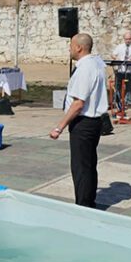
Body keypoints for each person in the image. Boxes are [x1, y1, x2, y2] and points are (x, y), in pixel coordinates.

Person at [49, 33, 108, 208]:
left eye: (70, 46)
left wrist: (59, 127)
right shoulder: (97, 62)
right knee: (89, 164)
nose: (69, 49)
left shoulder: (85, 68)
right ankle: (89, 201)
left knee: (81, 168)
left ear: (78, 48)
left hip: (83, 123)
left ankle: (83, 206)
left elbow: (78, 103)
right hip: (94, 122)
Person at [111, 30, 131, 110]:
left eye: (129, 39)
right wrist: (116, 58)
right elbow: (113, 54)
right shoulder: (120, 46)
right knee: (117, 85)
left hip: (130, 70)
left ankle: (128, 102)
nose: (128, 40)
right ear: (124, 39)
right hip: (120, 69)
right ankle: (116, 101)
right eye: (126, 39)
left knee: (129, 87)